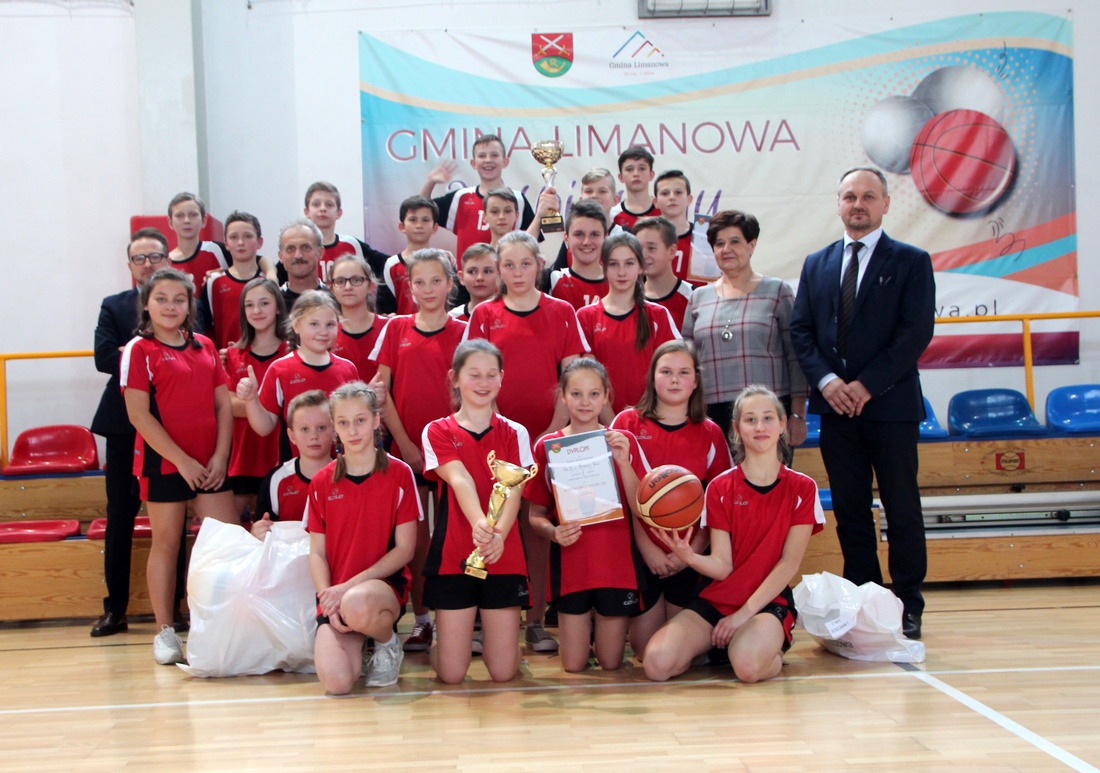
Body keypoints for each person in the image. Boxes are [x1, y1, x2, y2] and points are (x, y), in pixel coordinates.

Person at [789, 166, 935, 640]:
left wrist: (866, 386)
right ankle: (865, 600)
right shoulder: (817, 264)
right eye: (850, 196)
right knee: (851, 511)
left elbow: (915, 333)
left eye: (868, 196)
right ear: (838, 204)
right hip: (836, 409)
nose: (858, 204)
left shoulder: (911, 261)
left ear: (885, 204)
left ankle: (907, 602)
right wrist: (829, 382)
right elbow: (801, 331)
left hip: (890, 407)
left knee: (901, 507)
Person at [643, 386, 824, 684]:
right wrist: (688, 556)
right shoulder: (719, 487)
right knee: (657, 664)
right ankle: (721, 648)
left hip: (766, 603)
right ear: (737, 429)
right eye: (750, 419)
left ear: (782, 424)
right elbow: (722, 566)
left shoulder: (802, 487)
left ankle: (768, 653)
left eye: (768, 418)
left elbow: (789, 563)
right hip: (718, 600)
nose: (760, 427)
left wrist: (742, 615)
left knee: (748, 669)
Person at [464, 230, 589, 652]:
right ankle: (486, 619)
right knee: (490, 527)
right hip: (494, 440)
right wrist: (501, 433)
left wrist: (550, 433)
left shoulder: (562, 311)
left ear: (539, 264)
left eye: (525, 263)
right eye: (508, 265)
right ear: (498, 270)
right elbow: (475, 377)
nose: (517, 272)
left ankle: (535, 619)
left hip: (548, 438)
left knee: (535, 530)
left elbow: (571, 377)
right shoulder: (485, 314)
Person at [120, 268, 239, 664]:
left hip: (210, 464)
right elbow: (139, 415)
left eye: (178, 299)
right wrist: (182, 461)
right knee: (167, 544)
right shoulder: (139, 350)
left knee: (228, 544)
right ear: (147, 304)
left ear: (189, 305)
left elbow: (223, 405)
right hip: (164, 463)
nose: (170, 306)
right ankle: (166, 631)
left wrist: (220, 456)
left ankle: (225, 625)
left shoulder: (205, 346)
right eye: (161, 299)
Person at [90, 229, 187, 638]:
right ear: (129, 265)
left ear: (168, 260)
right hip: (124, 426)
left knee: (174, 523)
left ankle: (176, 608)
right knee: (120, 517)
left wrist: (140, 354)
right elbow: (103, 357)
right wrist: (148, 355)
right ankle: (115, 610)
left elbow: (190, 351)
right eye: (139, 258)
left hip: (173, 427)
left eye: (155, 256)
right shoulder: (114, 305)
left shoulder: (184, 303)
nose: (148, 264)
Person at [421, 340, 535, 684]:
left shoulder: (516, 432)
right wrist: (480, 525)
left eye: (491, 374)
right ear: (455, 378)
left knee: (503, 672)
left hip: (503, 552)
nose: (483, 382)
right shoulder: (437, 429)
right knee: (452, 674)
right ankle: (442, 648)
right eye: (474, 374)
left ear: (501, 378)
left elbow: (515, 490)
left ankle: (504, 650)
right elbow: (460, 479)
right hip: (455, 553)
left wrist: (498, 536)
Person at [371, 249, 467, 651]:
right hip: (408, 451)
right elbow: (382, 393)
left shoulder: (465, 331)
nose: (428, 289)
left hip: (454, 451)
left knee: (456, 537)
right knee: (417, 541)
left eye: (436, 280)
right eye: (419, 282)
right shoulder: (396, 328)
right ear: (409, 286)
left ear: (450, 284)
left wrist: (448, 447)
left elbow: (472, 391)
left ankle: (459, 619)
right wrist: (408, 445)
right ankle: (423, 620)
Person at [526, 359, 648, 672]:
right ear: (562, 397)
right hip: (572, 567)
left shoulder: (623, 441)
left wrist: (623, 463)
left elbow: (641, 507)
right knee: (573, 665)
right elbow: (536, 515)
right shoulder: (547, 447)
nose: (585, 402)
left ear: (606, 396)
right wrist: (553, 532)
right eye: (576, 394)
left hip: (616, 566)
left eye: (594, 394)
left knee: (610, 662)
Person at [611, 340, 732, 659]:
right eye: (666, 372)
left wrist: (689, 555)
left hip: (690, 555)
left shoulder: (710, 432)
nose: (675, 379)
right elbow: (620, 500)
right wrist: (648, 549)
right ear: (652, 378)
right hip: (641, 553)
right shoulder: (627, 424)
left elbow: (717, 509)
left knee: (677, 654)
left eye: (683, 372)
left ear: (696, 381)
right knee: (643, 651)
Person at [308, 381, 419, 693]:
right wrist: (327, 599)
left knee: (357, 603)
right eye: (343, 422)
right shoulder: (321, 482)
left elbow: (405, 549)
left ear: (375, 420)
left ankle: (386, 642)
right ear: (334, 427)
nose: (353, 430)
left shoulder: (399, 474)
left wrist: (347, 589)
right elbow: (316, 553)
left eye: (360, 420)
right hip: (337, 596)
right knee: (337, 683)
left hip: (379, 591)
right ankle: (360, 641)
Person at [682, 210, 809, 458]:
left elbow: (796, 357)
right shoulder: (698, 298)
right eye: (719, 243)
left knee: (770, 481)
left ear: (752, 244)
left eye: (735, 241)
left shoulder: (776, 291)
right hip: (711, 415)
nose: (726, 249)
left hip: (767, 414)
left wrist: (797, 414)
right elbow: (688, 362)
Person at [236, 291, 359, 461]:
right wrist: (251, 400)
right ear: (296, 325)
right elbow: (264, 427)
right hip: (297, 467)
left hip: (342, 466)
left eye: (330, 324)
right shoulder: (280, 369)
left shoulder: (347, 368)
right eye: (314, 324)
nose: (323, 331)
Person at [577, 233, 680, 415]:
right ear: (603, 267)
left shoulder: (658, 315)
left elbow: (672, 371)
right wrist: (613, 424)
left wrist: (649, 418)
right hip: (601, 421)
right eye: (614, 264)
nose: (622, 272)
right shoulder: (586, 317)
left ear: (641, 266)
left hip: (651, 417)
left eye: (629, 263)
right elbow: (589, 380)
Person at [225, 278, 289, 521]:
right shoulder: (233, 355)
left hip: (281, 453)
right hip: (243, 455)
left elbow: (294, 406)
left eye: (264, 303)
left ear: (278, 307)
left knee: (277, 529)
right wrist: (273, 405)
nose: (257, 311)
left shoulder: (292, 352)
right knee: (231, 531)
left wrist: (251, 403)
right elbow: (229, 405)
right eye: (249, 305)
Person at [420, 133, 538, 261]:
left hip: (507, 273)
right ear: (473, 163)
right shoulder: (460, 198)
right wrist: (430, 181)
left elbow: (531, 243)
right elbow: (421, 211)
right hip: (468, 273)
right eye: (482, 156)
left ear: (505, 161)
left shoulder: (518, 200)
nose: (488, 160)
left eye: (494, 155)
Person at [251, 390, 335, 540]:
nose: (313, 436)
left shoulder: (349, 473)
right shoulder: (277, 479)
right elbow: (260, 528)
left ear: (335, 431)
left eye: (321, 428)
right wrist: (257, 532)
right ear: (292, 436)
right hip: (288, 554)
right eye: (305, 429)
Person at [301, 181, 391, 290]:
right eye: (316, 204)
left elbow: (391, 266)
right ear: (307, 212)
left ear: (338, 213)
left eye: (329, 204)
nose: (323, 208)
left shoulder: (352, 244)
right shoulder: (298, 249)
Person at [199, 211, 266, 352]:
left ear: (259, 242)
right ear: (226, 243)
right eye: (234, 237)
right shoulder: (213, 282)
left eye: (247, 236)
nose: (240, 243)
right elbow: (205, 327)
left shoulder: (269, 281)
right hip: (226, 361)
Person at [329, 254, 389, 381]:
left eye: (356, 280)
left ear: (370, 286)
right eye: (340, 281)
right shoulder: (327, 332)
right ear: (332, 288)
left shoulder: (389, 327)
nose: (348, 287)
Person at [654, 171, 717, 285]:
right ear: (655, 202)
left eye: (678, 192)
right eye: (665, 193)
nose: (672, 197)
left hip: (697, 296)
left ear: (689, 199)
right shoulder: (647, 238)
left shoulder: (704, 235)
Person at [381, 195, 440, 316]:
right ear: (402, 227)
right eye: (413, 220)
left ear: (435, 227)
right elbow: (385, 309)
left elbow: (454, 303)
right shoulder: (391, 265)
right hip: (404, 327)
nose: (419, 225)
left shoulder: (444, 262)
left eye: (425, 220)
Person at [545, 199, 609, 310]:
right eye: (579, 234)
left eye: (594, 234)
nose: (587, 242)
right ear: (566, 238)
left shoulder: (618, 282)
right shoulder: (551, 280)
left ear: (605, 238)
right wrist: (539, 217)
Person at [165, 192, 230, 298]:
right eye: (180, 215)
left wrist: (225, 277)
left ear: (204, 220)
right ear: (170, 222)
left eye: (193, 215)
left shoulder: (218, 249)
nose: (187, 220)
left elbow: (253, 263)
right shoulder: (165, 263)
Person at [635, 216, 693, 331]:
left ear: (671, 251)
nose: (644, 255)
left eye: (651, 248)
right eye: (639, 248)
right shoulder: (629, 296)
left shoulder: (692, 297)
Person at [277, 219, 331, 310]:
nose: (298, 255)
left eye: (306, 247)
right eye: (290, 249)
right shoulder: (274, 303)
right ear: (281, 256)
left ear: (320, 253)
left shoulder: (335, 300)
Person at [611, 146, 660, 232]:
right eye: (629, 169)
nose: (636, 174)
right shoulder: (613, 214)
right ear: (621, 177)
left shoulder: (663, 210)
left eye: (642, 168)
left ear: (651, 175)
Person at [449, 244, 499, 322]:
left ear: (499, 275)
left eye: (487, 271)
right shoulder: (452, 319)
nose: (480, 278)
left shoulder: (510, 313)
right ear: (462, 277)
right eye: (472, 272)